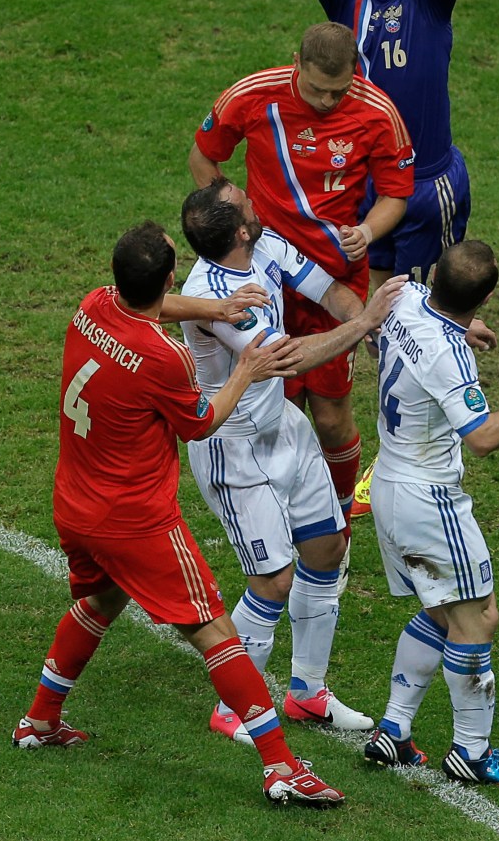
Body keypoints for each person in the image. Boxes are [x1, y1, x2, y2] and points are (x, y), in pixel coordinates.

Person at [12, 220, 344, 806]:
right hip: (135, 520)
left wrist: (218, 304)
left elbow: (155, 306)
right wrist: (245, 371)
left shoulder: (92, 305)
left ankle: (39, 720)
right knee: (215, 630)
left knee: (102, 599)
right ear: (167, 279)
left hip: (75, 504)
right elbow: (200, 424)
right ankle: (282, 767)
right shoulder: (164, 357)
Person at [166, 179, 406, 743]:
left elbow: (328, 292)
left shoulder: (266, 244)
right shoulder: (215, 296)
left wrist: (377, 323)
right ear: (240, 229)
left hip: (284, 427)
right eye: (240, 196)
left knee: (327, 547)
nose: (250, 193)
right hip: (235, 446)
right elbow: (288, 360)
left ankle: (307, 693)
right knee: (273, 580)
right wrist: (365, 324)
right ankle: (235, 709)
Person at [302, 0, 471, 517]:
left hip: (428, 184)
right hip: (364, 184)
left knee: (429, 314)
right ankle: (382, 428)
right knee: (373, 305)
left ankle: (435, 429)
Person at [188, 22, 414, 534]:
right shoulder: (252, 96)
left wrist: (366, 230)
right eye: (316, 89)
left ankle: (334, 515)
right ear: (296, 63)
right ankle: (277, 510)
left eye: (338, 90)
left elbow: (396, 194)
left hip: (334, 279)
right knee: (276, 406)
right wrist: (234, 227)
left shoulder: (378, 112)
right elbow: (204, 156)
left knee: (332, 417)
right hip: (268, 278)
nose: (328, 101)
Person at [362, 240, 499, 785]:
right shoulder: (452, 358)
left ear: (435, 276)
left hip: (388, 484)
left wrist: (459, 330)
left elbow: (402, 335)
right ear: (488, 295)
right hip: (429, 499)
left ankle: (394, 730)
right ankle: (471, 752)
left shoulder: (405, 295)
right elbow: (482, 437)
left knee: (440, 613)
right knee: (479, 619)